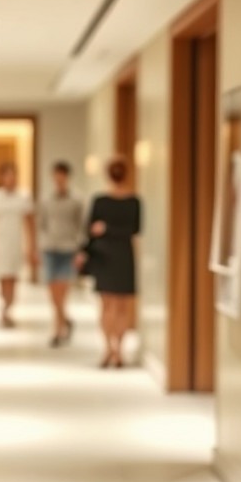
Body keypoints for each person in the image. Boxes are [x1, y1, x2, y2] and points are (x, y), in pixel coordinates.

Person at [76, 157, 141, 368]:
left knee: (110, 305)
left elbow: (94, 231)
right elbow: (132, 230)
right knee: (117, 306)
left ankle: (112, 349)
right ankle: (114, 350)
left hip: (113, 254)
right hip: (114, 254)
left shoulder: (110, 201)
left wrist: (106, 230)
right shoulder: (131, 202)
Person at [0, 162, 37, 328]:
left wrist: (31, 246)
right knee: (2, 276)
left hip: (16, 241)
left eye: (13, 175)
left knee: (13, 277)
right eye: (6, 175)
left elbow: (30, 223)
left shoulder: (24, 196)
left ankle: (9, 308)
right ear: (1, 177)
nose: (10, 178)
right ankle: (4, 306)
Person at [38, 161, 83, 347]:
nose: (59, 178)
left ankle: (57, 331)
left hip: (68, 249)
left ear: (67, 177)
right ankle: (65, 321)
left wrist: (80, 250)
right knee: (53, 293)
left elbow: (81, 226)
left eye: (62, 175)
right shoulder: (46, 199)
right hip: (50, 248)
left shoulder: (76, 200)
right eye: (56, 175)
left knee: (62, 293)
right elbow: (42, 224)